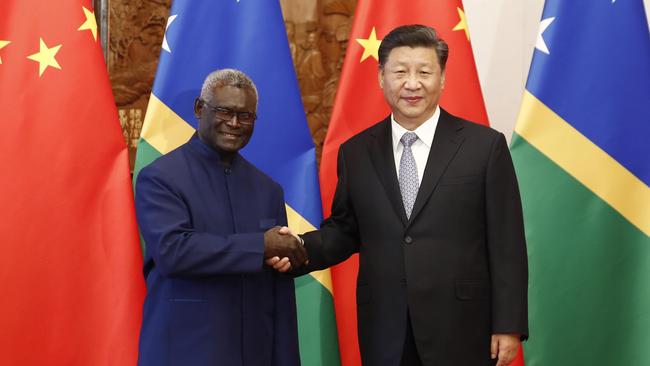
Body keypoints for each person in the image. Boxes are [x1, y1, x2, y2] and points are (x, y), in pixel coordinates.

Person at [277, 24, 528, 366]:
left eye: (424, 72)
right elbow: (346, 231)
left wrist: (508, 325)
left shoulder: (484, 147)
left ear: (442, 78)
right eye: (400, 72)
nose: (412, 83)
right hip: (385, 326)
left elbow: (507, 242)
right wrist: (300, 249)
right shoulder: (356, 152)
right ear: (381, 77)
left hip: (463, 327)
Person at [135, 68, 306, 366]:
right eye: (225, 111)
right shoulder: (160, 178)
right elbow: (173, 252)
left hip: (256, 353)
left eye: (246, 116)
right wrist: (261, 246)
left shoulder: (268, 190)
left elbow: (279, 292)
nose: (234, 123)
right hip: (185, 352)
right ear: (200, 109)